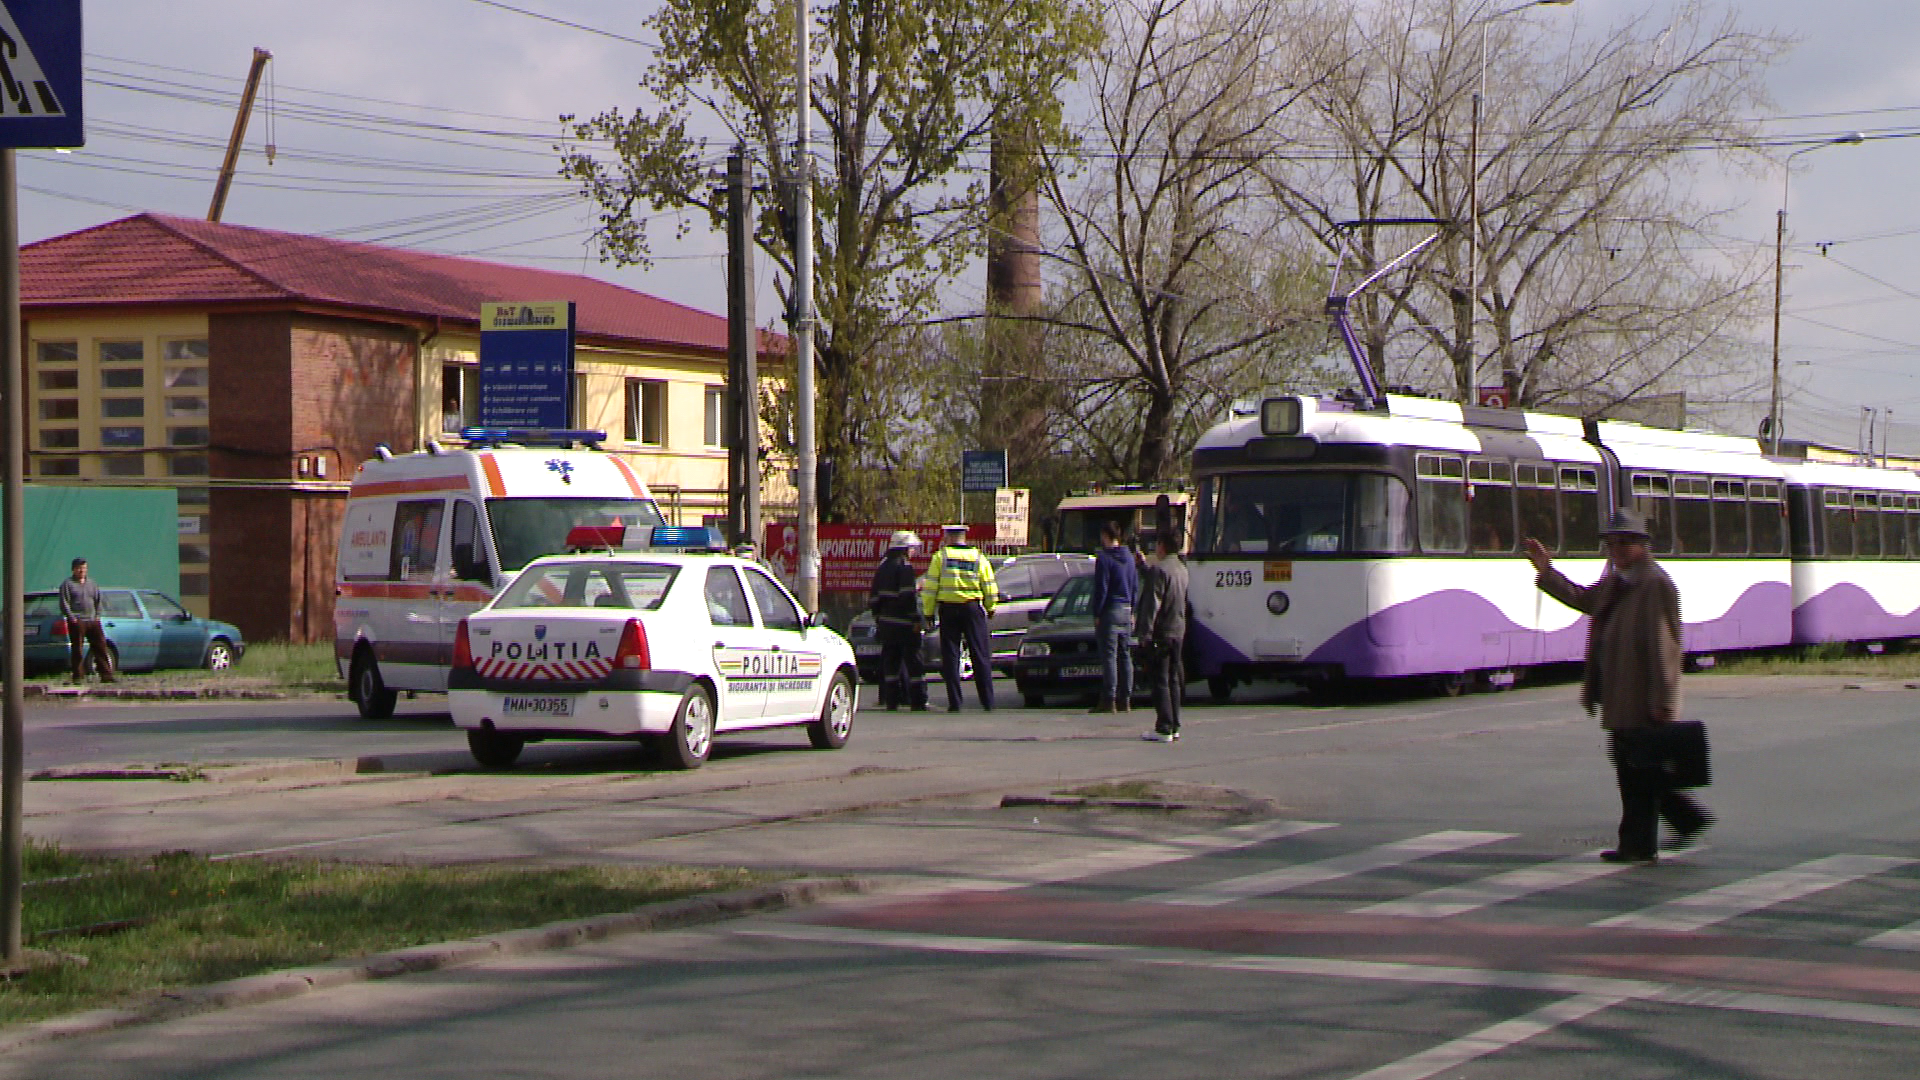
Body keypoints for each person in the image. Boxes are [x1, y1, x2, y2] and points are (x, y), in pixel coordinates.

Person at [1525, 509, 1710, 865]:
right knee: (1638, 770)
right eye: (1611, 543)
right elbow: (1583, 600)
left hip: (1642, 697)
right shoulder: (1618, 581)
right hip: (1619, 694)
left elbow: (1666, 645)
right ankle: (1684, 821)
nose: (1617, 549)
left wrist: (1663, 700)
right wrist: (1546, 571)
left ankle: (1639, 845)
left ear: (1642, 544)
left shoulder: (1655, 584)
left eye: (1625, 542)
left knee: (1636, 773)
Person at [920, 524, 998, 712]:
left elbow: (930, 588)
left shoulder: (941, 558)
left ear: (947, 536)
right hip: (972, 609)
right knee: (980, 654)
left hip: (948, 610)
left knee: (951, 656)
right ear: (964, 537)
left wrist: (928, 613)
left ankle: (955, 702)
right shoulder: (978, 557)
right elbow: (988, 584)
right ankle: (987, 701)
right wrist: (991, 607)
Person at [1135, 531, 1189, 742]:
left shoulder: (1160, 569)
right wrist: (1142, 567)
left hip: (1162, 631)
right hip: (1179, 630)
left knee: (1160, 680)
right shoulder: (1182, 569)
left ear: (1162, 546)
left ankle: (1163, 726)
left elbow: (1152, 604)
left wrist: (1144, 635)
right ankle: (1174, 724)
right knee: (1174, 679)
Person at [868, 530, 929, 712]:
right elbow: (907, 597)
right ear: (904, 548)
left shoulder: (883, 567)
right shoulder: (905, 567)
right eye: (911, 548)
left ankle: (891, 701)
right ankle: (918, 701)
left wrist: (879, 618)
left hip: (886, 625)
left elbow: (874, 598)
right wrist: (915, 619)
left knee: (891, 664)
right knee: (914, 664)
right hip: (904, 625)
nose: (913, 552)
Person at [1088, 519, 1140, 713]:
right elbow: (1135, 586)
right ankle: (1126, 698)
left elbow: (1102, 587)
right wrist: (1133, 608)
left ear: (1106, 536)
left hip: (1110, 610)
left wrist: (1097, 613)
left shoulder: (1104, 558)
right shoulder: (1129, 557)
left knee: (1109, 656)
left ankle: (1109, 699)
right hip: (1127, 609)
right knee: (1125, 654)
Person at [59, 557, 115, 684]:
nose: (82, 571)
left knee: (100, 646)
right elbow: (64, 603)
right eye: (79, 568)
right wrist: (72, 617)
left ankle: (106, 675)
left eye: (84, 568)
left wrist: (97, 616)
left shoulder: (92, 584)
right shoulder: (67, 584)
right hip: (77, 621)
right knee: (77, 649)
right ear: (73, 569)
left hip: (93, 620)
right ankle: (78, 676)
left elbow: (98, 600)